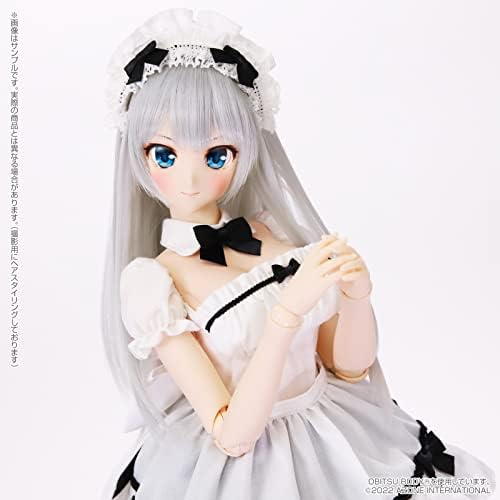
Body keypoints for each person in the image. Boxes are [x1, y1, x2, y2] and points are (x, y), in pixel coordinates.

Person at [100, 8, 496, 500]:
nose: (191, 177)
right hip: (244, 467)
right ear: (137, 155)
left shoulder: (268, 232)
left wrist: (356, 298)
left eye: (217, 155)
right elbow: (232, 434)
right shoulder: (152, 284)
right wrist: (285, 315)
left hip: (335, 433)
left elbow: (347, 368)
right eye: (165, 154)